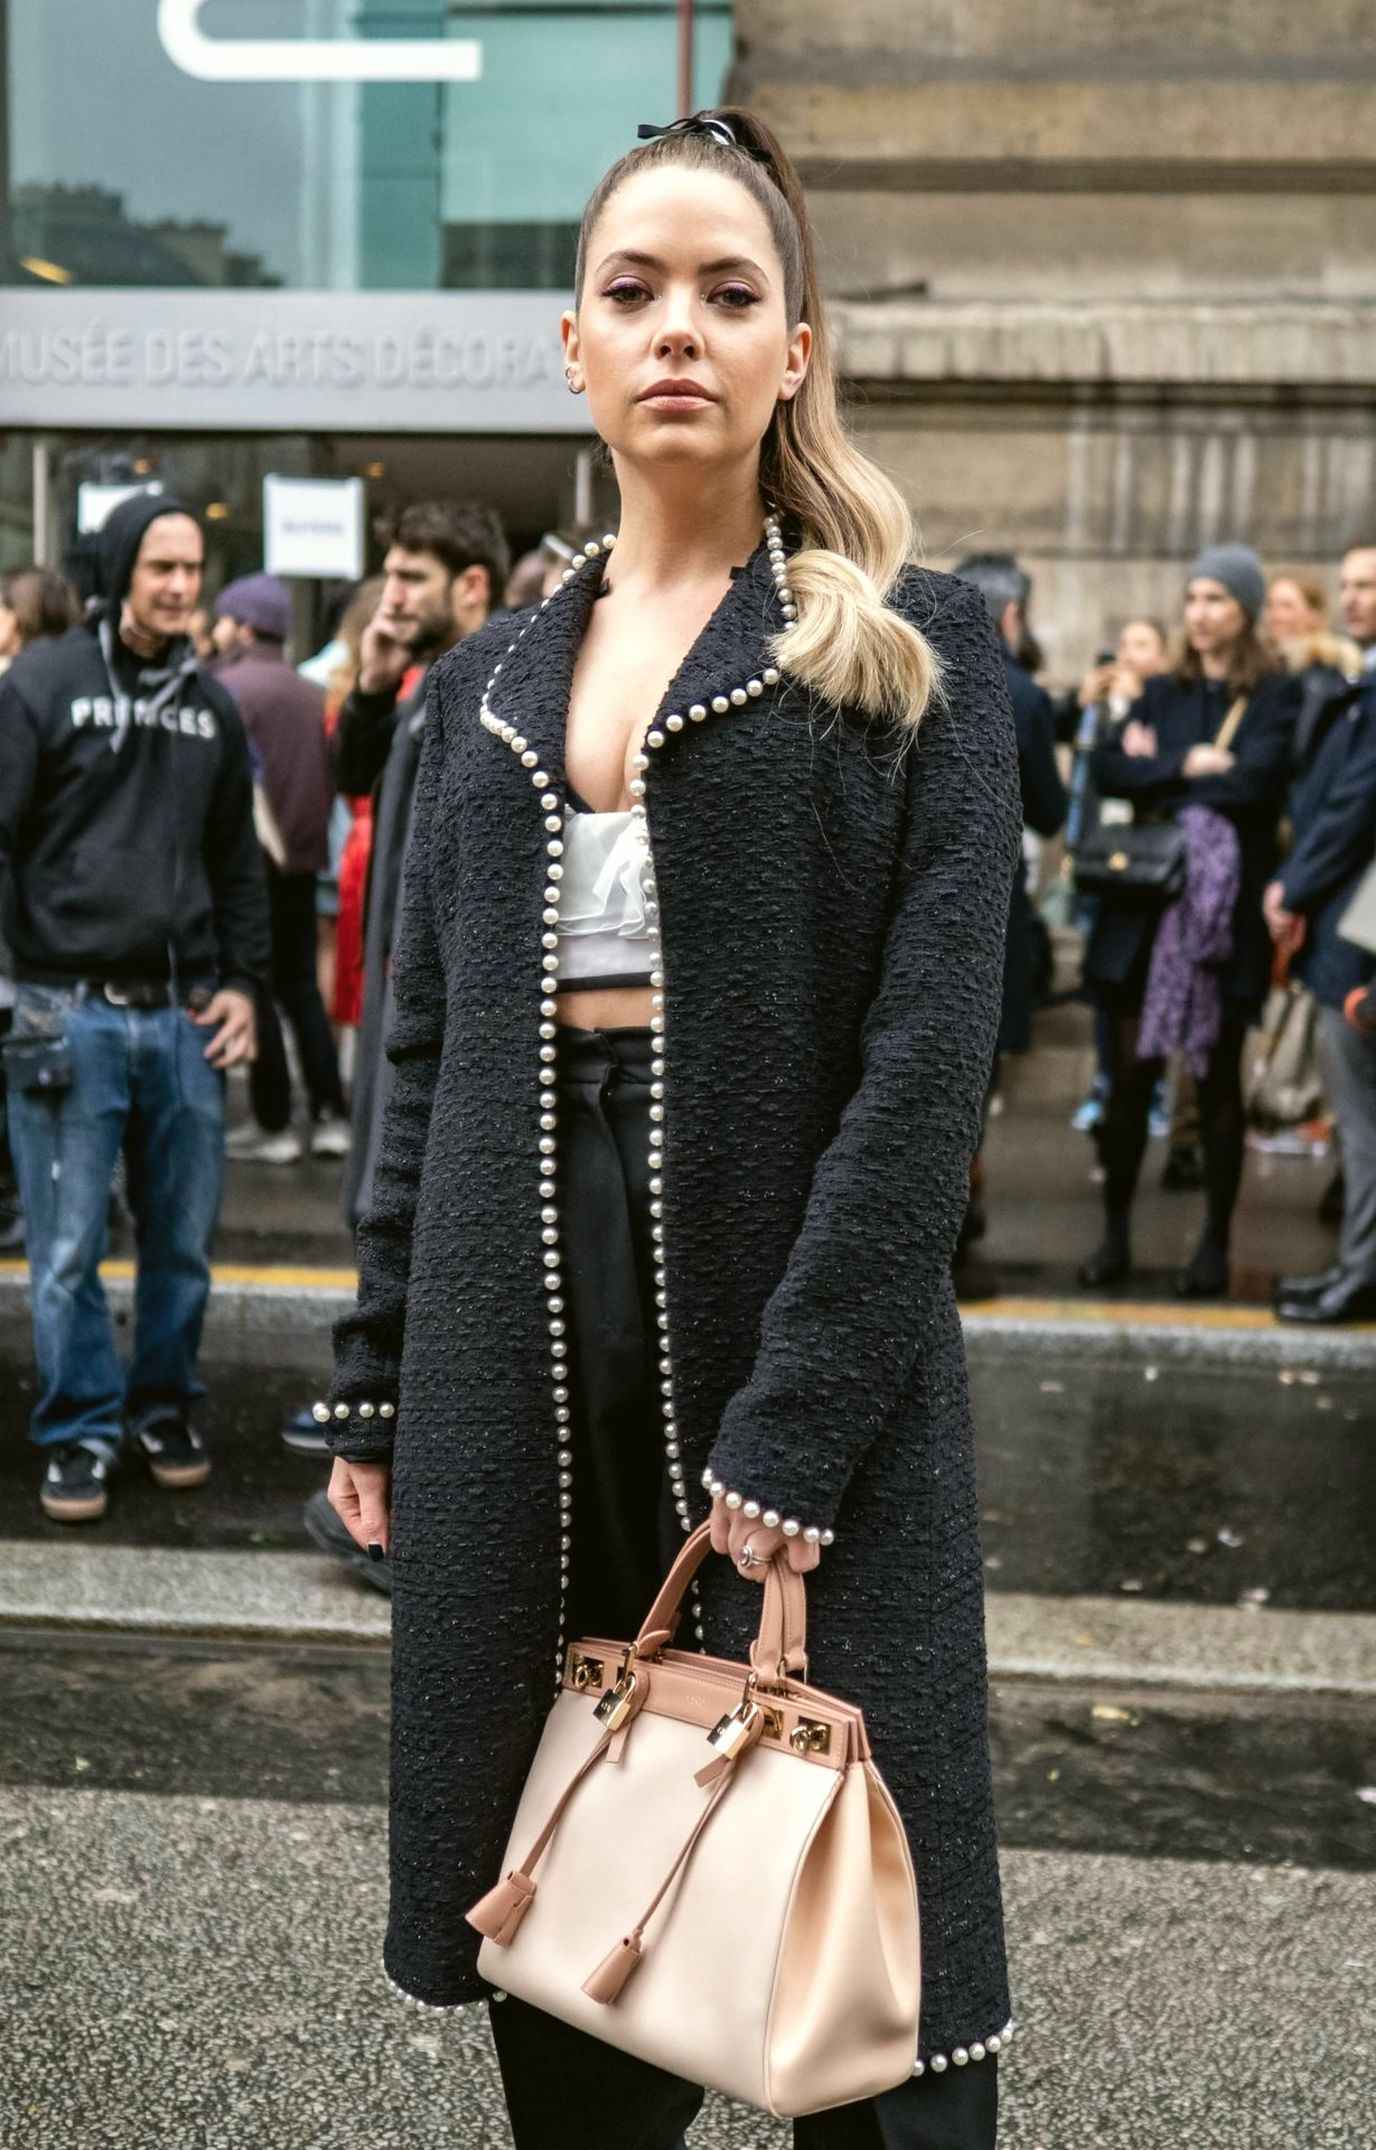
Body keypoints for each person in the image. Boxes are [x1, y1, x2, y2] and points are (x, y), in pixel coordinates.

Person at [321, 106, 1018, 2148]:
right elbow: (418, 1062)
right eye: (632, 292)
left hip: (792, 1317)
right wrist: (373, 1381)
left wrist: (799, 1422)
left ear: (796, 348)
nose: (678, 329)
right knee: (578, 1893)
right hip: (519, 1341)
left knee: (864, 1960)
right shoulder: (482, 691)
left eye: (729, 291)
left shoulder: (912, 648)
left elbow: (926, 1068)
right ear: (573, 348)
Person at [0, 495, 268, 1523]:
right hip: (62, 1013)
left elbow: (236, 864)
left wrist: (242, 982)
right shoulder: (42, 682)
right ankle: (78, 1427)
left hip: (185, 1017)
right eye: (160, 566)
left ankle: (164, 1406)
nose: (180, 586)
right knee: (67, 1246)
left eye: (192, 568)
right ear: (119, 570)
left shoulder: (213, 704)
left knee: (182, 1242)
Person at [1078, 544, 1295, 1297]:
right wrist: (1186, 765)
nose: (1200, 614)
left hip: (1220, 919)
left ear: (1246, 611)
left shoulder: (1273, 693)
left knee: (1216, 1083)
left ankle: (1213, 1244)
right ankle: (1114, 1234)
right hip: (1143, 909)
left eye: (1217, 600)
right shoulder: (1163, 690)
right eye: (1193, 598)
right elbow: (1110, 768)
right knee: (1128, 1080)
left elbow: (1261, 783)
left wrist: (1161, 772)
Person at [334, 500, 508, 1230]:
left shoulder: (507, 685)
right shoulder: (429, 682)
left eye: (411, 578)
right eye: (389, 576)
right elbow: (354, 777)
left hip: (449, 1009)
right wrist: (373, 685)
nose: (392, 597)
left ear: (472, 586)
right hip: (399, 984)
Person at [1267, 543, 1376, 1323]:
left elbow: (1353, 806)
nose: (1353, 598)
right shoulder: (1357, 682)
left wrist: (1293, 886)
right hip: (1348, 930)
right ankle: (1354, 1265)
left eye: (1369, 585)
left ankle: (1360, 1272)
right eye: (1347, 585)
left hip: (1361, 943)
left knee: (1362, 1122)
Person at [211, 573, 349, 1163]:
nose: (216, 630)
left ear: (244, 627)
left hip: (248, 865)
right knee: (300, 988)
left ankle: (273, 1122)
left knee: (256, 985)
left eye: (223, 619)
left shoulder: (225, 689)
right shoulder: (309, 692)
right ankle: (329, 1113)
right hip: (303, 860)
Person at [0, 566, 81, 1252]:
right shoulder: (89, 683)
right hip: (74, 918)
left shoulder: (19, 690)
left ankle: (32, 1203)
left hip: (27, 922)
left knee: (34, 1070)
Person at [1064, 619, 1169, 1137]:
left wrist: (1128, 707)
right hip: (1101, 859)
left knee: (1147, 983)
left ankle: (1152, 1093)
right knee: (1103, 983)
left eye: (1142, 644)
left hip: (1148, 866)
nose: (1129, 654)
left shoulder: (1163, 707)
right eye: (1124, 644)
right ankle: (1107, 1085)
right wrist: (1086, 705)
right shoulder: (1099, 709)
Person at [1264, 570, 1361, 778]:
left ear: (1314, 614)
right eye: (1271, 605)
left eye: (1286, 606)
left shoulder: (1325, 671)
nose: (1275, 615)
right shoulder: (1264, 669)